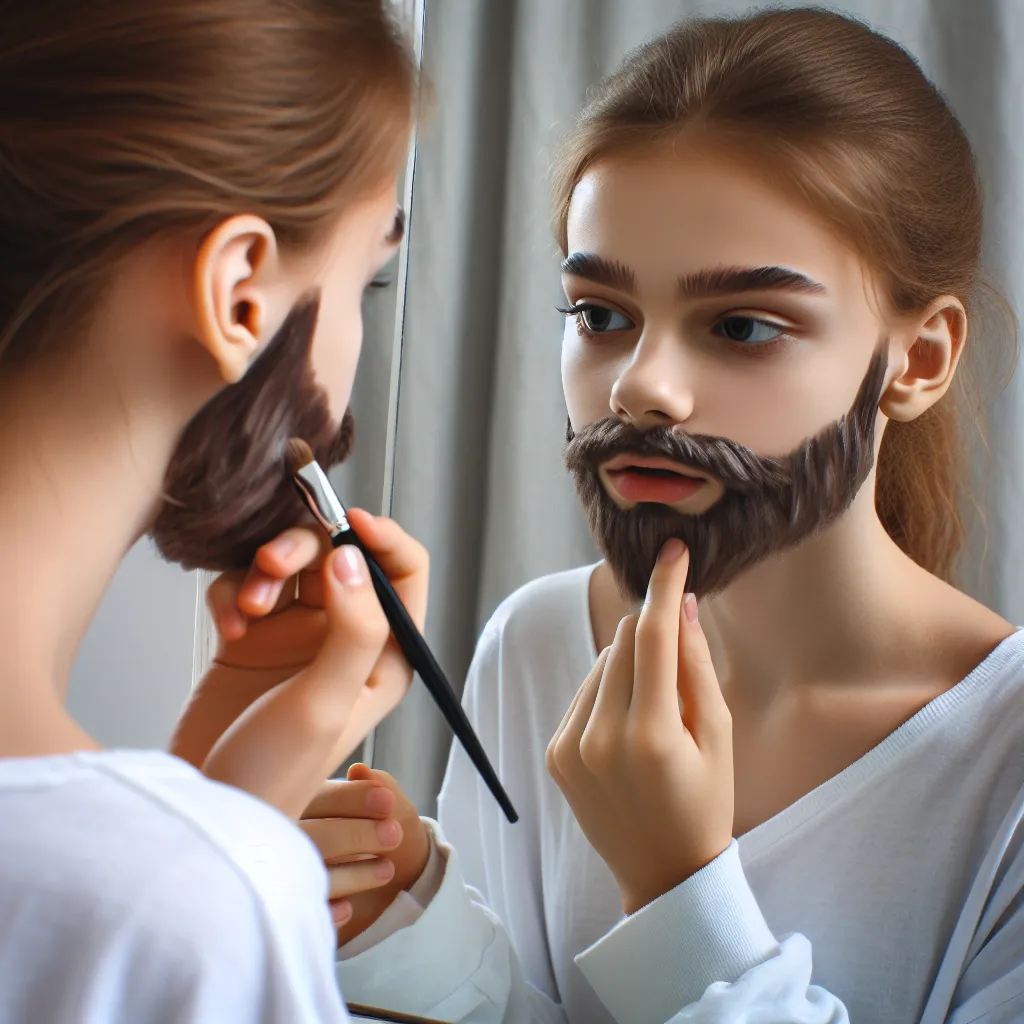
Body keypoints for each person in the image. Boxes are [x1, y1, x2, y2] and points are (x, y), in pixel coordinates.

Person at [226, 8, 1024, 1023]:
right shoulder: (539, 645)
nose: (640, 389)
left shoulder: (1003, 763)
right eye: (600, 316)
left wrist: (680, 886)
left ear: (917, 359)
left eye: (741, 326)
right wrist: (411, 918)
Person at [0, 1, 429, 1021]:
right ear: (242, 292)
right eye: (367, 279)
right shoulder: (183, 904)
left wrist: (214, 803)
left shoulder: (171, 885)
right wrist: (210, 854)